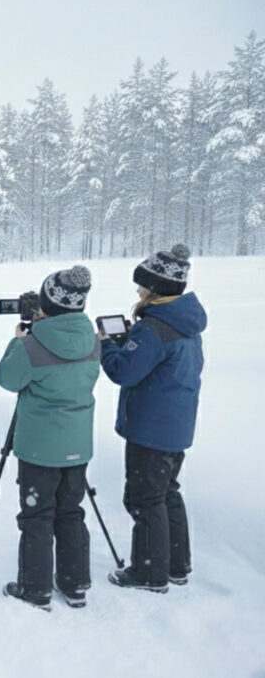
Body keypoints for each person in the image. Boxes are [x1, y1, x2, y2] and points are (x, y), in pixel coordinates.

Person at [99, 244, 206, 593]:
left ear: (156, 288)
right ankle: (177, 564)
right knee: (167, 493)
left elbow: (124, 372)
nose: (138, 290)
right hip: (176, 426)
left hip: (151, 430)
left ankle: (149, 572)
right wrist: (132, 341)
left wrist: (108, 345)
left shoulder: (154, 329)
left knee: (144, 500)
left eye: (142, 285)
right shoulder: (184, 323)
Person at [0, 265, 100, 611]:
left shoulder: (32, 346)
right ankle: (75, 583)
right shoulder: (93, 340)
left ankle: (35, 588)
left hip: (39, 449)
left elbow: (6, 379)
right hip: (78, 445)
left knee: (37, 516)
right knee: (71, 512)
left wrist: (19, 341)